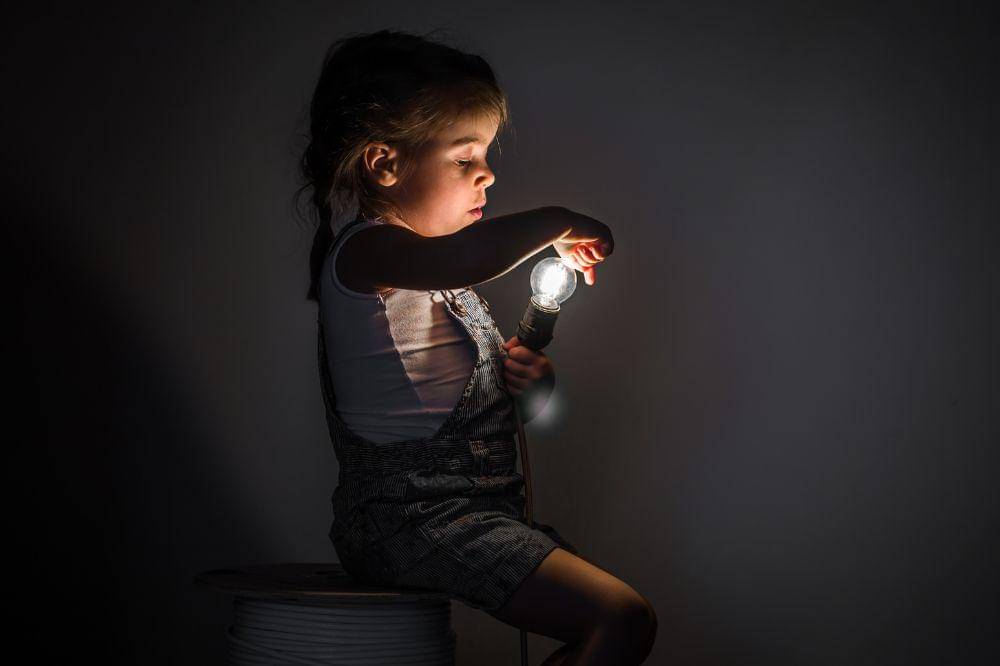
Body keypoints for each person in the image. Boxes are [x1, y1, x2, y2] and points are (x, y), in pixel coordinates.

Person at [297, 29, 657, 664]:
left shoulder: (441, 286)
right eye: (464, 159)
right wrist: (559, 222)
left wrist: (532, 386)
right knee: (619, 618)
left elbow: (491, 419)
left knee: (620, 616)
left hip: (471, 513)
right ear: (385, 164)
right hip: (410, 520)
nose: (488, 172)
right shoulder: (366, 252)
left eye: (487, 154)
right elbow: (467, 258)